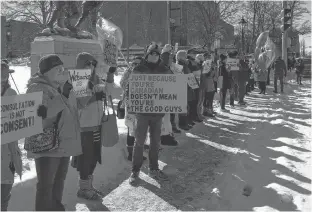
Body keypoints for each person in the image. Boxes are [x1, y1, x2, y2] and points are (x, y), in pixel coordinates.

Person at [25, 55, 81, 211]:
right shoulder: (37, 88)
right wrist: (63, 96)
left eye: (62, 69)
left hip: (61, 142)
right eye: (58, 69)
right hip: (47, 144)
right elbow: (42, 118)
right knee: (46, 186)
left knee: (58, 182)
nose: (61, 72)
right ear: (46, 71)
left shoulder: (58, 86)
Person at [129, 42, 171, 184]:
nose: (154, 56)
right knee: (139, 141)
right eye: (151, 53)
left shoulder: (164, 69)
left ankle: (154, 168)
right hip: (142, 111)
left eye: (156, 54)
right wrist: (131, 106)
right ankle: (135, 171)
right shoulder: (139, 68)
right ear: (147, 54)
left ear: (159, 56)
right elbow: (131, 88)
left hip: (158, 112)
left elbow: (171, 87)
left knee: (155, 142)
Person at [70, 52, 107, 200]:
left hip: (97, 124)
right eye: (87, 63)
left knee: (93, 157)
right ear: (80, 64)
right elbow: (80, 103)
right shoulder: (77, 79)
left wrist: (103, 93)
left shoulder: (96, 79)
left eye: (92, 63)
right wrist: (94, 96)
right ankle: (83, 188)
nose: (90, 66)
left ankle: (89, 185)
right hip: (84, 126)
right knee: (85, 158)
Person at [1, 61, 23, 211]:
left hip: (8, 152)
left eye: (5, 73)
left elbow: (20, 121)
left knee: (4, 195)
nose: (4, 77)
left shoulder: (11, 93)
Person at [120, 56, 149, 161]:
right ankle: (131, 153)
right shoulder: (128, 73)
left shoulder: (146, 73)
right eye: (134, 63)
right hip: (131, 104)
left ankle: (141, 150)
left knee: (142, 127)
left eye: (138, 64)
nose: (135, 65)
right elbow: (122, 84)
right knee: (131, 128)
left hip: (143, 104)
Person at [159, 44, 179, 146]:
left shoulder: (167, 67)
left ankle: (167, 134)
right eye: (170, 58)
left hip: (167, 93)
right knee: (164, 117)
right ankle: (165, 136)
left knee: (167, 117)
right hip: (162, 95)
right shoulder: (164, 67)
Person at [176, 50, 194, 130]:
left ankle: (185, 122)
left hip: (187, 86)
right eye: (185, 55)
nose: (186, 57)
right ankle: (182, 124)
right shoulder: (179, 64)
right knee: (183, 107)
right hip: (182, 87)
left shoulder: (185, 64)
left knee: (186, 106)